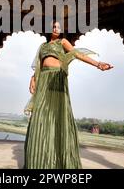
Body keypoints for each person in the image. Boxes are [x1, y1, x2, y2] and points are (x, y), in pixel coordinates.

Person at [23, 20, 113, 169]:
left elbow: (77, 54)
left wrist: (98, 64)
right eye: (53, 26)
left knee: (58, 116)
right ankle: (38, 161)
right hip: (44, 80)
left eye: (59, 27)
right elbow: (39, 65)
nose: (56, 28)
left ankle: (59, 162)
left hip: (58, 79)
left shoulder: (62, 42)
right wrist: (33, 78)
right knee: (40, 117)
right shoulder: (43, 47)